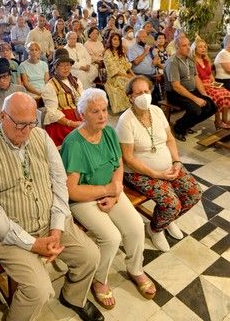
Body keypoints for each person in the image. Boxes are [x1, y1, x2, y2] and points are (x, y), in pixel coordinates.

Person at [0, 92, 104, 321]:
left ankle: (73, 296)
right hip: (10, 234)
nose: (26, 131)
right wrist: (33, 244)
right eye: (20, 124)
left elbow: (59, 182)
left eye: (31, 123)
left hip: (51, 222)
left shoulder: (40, 136)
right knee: (39, 290)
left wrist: (57, 229)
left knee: (90, 255)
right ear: (2, 116)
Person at [61, 88, 156, 309]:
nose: (103, 115)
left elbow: (118, 164)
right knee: (111, 237)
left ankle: (135, 269)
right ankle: (99, 279)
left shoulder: (110, 133)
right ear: (82, 114)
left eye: (104, 110)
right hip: (84, 199)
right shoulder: (74, 143)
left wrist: (115, 192)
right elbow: (72, 190)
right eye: (95, 111)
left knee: (135, 227)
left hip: (110, 191)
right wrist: (107, 190)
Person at [116, 75, 202, 252]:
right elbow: (128, 158)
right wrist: (155, 174)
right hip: (139, 173)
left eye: (146, 91)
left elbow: (170, 139)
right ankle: (155, 229)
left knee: (194, 193)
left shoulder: (156, 111)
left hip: (168, 165)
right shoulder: (126, 120)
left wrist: (177, 161)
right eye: (138, 93)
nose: (144, 95)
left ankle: (168, 220)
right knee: (172, 203)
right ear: (130, 97)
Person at [164, 36, 217, 141]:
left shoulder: (190, 59)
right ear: (177, 47)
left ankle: (185, 124)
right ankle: (178, 128)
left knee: (211, 106)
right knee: (196, 110)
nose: (188, 47)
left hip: (191, 90)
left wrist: (203, 94)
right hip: (175, 94)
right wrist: (196, 99)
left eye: (188, 44)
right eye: (184, 45)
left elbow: (196, 77)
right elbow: (176, 86)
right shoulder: (173, 62)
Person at [42, 48, 83, 146]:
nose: (66, 68)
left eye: (68, 64)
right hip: (61, 123)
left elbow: (83, 101)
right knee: (78, 141)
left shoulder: (76, 81)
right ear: (55, 67)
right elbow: (52, 113)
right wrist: (72, 123)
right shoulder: (50, 86)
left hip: (78, 116)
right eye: (62, 65)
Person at [192, 38, 230, 128]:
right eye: (200, 47)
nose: (203, 49)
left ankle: (225, 119)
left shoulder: (206, 60)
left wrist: (214, 83)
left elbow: (210, 75)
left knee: (226, 93)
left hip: (209, 84)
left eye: (204, 47)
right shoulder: (193, 62)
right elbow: (194, 79)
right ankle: (217, 121)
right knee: (218, 96)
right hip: (200, 85)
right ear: (195, 49)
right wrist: (208, 85)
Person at [104, 32, 134, 114]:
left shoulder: (120, 51)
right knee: (124, 81)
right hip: (114, 77)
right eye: (114, 39)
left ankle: (134, 105)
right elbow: (113, 70)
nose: (116, 42)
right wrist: (127, 76)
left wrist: (133, 75)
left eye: (118, 40)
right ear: (110, 40)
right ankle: (128, 107)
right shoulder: (107, 53)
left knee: (136, 80)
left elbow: (127, 65)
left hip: (124, 74)